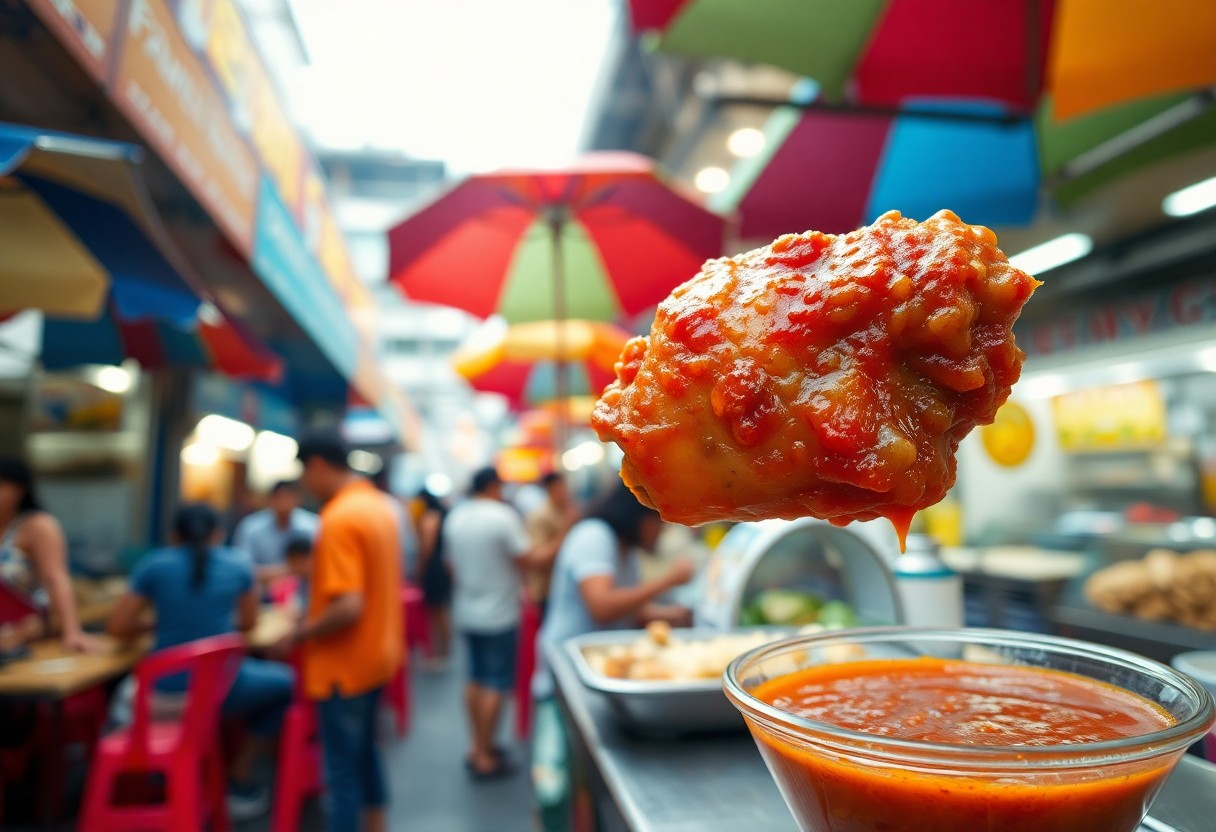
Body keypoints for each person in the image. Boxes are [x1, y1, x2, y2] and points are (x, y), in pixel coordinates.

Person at [107, 503, 294, 820]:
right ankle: (240, 775)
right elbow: (248, 623)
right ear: (218, 534)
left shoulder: (154, 565)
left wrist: (158, 624)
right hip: (221, 688)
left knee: (119, 696)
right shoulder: (238, 564)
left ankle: (149, 781)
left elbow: (118, 627)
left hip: (161, 694)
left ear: (174, 536)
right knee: (287, 685)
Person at [529, 484, 694, 831]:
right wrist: (668, 581)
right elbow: (602, 606)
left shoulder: (624, 549)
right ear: (639, 515)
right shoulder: (594, 537)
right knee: (555, 785)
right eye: (659, 522)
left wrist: (670, 615)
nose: (662, 531)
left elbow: (628, 611)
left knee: (588, 782)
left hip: (595, 678)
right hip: (565, 679)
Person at [274, 430, 403, 832]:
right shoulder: (378, 507)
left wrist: (300, 632)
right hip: (377, 655)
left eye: (304, 475)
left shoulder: (338, 517)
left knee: (342, 774)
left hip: (343, 666)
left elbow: (348, 606)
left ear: (317, 466)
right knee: (365, 754)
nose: (305, 487)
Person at [444, 466, 560, 780]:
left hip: (466, 609)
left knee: (475, 678)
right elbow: (530, 560)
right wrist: (562, 536)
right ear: (494, 486)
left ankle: (477, 745)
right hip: (500, 612)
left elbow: (450, 565)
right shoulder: (501, 517)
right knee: (496, 682)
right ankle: (485, 754)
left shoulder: (456, 516)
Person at [0, 456, 95, 652]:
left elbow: (56, 578)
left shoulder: (36, 527)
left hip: (27, 631)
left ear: (19, 490)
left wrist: (72, 631)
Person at [232, 480, 319, 586]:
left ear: (298, 499)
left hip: (305, 593)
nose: (284, 502)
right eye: (280, 497)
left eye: (289, 497)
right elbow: (242, 570)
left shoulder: (313, 525)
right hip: (262, 593)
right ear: (270, 499)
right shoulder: (251, 527)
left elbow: (320, 566)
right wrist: (291, 569)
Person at [524, 472, 579, 617]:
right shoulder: (540, 516)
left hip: (566, 588)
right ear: (550, 489)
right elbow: (539, 558)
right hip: (547, 591)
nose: (565, 491)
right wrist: (566, 529)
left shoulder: (568, 509)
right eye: (560, 487)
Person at [415, 488, 452, 664]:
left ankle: (441, 652)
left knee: (437, 610)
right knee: (440, 609)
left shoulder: (429, 517)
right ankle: (443, 650)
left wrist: (420, 570)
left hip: (433, 567)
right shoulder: (443, 514)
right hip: (442, 564)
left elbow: (426, 548)